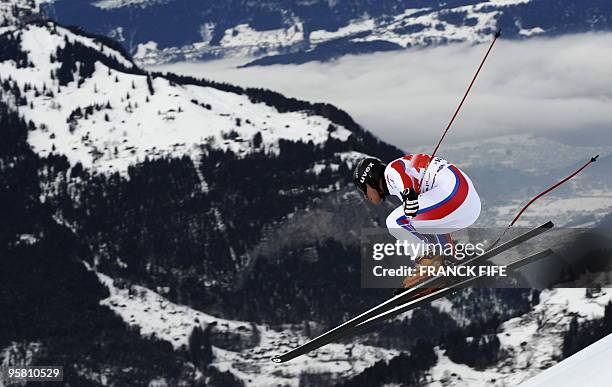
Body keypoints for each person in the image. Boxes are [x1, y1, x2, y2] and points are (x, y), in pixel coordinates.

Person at [353, 154, 481, 290]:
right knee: (419, 222)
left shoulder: (391, 170)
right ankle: (444, 261)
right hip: (469, 205)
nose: (365, 196)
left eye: (363, 190)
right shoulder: (398, 181)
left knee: (394, 221)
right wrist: (451, 261)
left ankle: (428, 262)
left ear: (371, 180)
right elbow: (436, 224)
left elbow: (400, 171)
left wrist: (408, 193)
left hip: (456, 196)